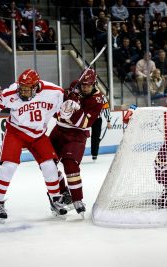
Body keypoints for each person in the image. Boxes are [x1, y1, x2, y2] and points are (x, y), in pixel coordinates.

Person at [0, 69, 67, 222]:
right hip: (16, 132)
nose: (23, 91)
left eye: (27, 89)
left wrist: (68, 109)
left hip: (38, 134)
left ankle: (55, 200)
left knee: (50, 166)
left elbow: (64, 106)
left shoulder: (54, 92)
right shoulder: (11, 93)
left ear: (35, 87)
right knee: (9, 166)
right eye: (22, 88)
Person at [49, 68, 104, 216]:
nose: (85, 87)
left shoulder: (97, 100)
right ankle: (62, 192)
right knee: (47, 164)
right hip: (59, 131)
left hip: (77, 135)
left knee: (70, 165)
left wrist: (71, 112)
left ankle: (77, 199)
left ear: (94, 84)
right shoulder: (75, 86)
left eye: (89, 85)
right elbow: (56, 109)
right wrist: (64, 106)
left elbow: (84, 123)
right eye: (83, 85)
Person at [91, 94, 112, 161]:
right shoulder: (85, 94)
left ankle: (94, 154)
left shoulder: (102, 97)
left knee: (96, 137)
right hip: (85, 118)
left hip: (97, 119)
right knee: (81, 136)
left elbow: (106, 108)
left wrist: (108, 121)